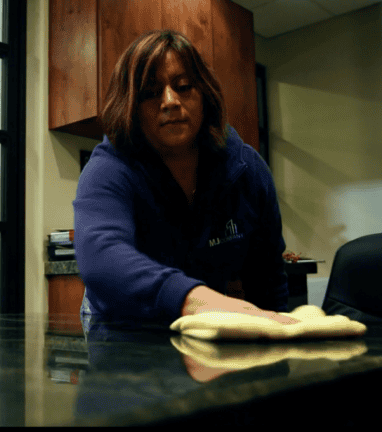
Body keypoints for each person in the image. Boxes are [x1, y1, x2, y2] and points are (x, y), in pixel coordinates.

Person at [73, 30, 298, 333]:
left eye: (183, 86)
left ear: (204, 94)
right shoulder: (108, 168)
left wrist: (278, 334)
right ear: (131, 106)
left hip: (203, 323)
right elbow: (101, 258)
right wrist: (198, 300)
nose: (170, 101)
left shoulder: (248, 169)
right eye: (150, 93)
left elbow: (268, 277)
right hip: (121, 326)